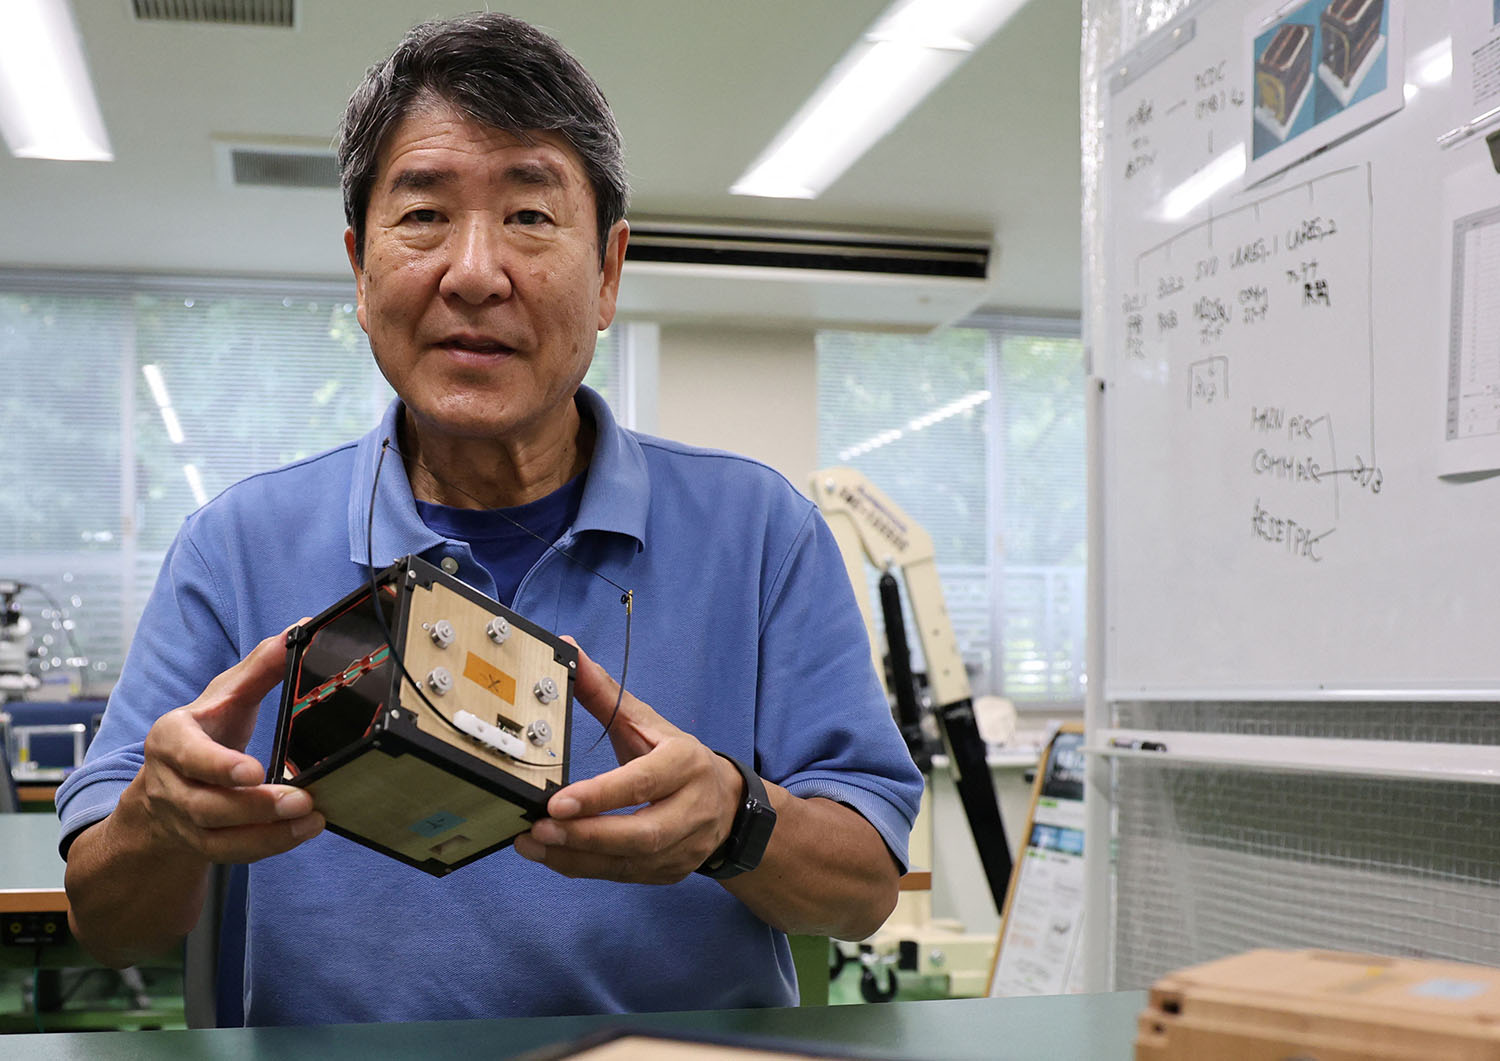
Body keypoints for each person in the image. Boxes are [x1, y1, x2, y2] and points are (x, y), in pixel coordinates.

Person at [56, 12, 922, 1025]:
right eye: (423, 215)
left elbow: (863, 889)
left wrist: (735, 818)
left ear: (607, 272)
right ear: (360, 265)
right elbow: (111, 922)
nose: (474, 271)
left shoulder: (761, 532)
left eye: (529, 215)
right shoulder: (236, 547)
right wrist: (163, 820)